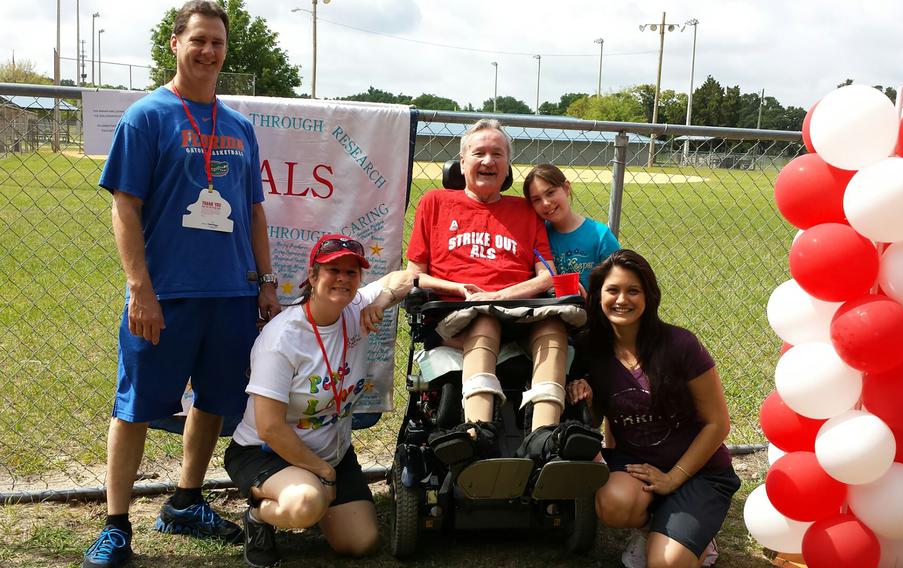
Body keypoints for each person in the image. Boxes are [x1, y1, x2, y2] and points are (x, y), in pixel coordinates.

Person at [83, 2, 281, 567]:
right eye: (198, 40)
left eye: (217, 42)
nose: (209, 51)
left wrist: (265, 282)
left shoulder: (240, 127)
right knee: (135, 406)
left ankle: (185, 501)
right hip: (165, 295)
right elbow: (126, 208)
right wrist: (139, 287)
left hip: (233, 294)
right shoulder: (147, 117)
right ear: (175, 44)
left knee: (215, 401)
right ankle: (116, 525)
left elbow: (255, 211)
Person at [406, 118, 599, 463]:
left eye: (498, 153)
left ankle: (543, 437)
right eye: (478, 152)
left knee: (553, 327)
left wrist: (497, 296)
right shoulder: (435, 202)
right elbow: (415, 276)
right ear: (461, 162)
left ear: (507, 166)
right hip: (459, 316)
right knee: (485, 322)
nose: (488, 160)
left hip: (519, 310)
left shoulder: (524, 211)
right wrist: (464, 291)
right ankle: (478, 432)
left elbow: (546, 276)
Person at [224, 234, 413, 567]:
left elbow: (406, 277)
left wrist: (381, 300)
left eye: (351, 272)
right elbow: (269, 428)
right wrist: (323, 471)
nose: (342, 278)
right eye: (332, 270)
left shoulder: (353, 307)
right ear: (312, 277)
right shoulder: (282, 338)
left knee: (361, 542)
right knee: (305, 505)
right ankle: (259, 517)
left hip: (332, 453)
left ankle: (317, 495)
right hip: (267, 452)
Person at [568, 250, 740, 568]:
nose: (622, 299)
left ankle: (693, 537)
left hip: (698, 472)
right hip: (636, 465)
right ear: (597, 295)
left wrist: (674, 478)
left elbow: (717, 423)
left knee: (668, 563)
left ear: (649, 296)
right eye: (613, 290)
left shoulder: (680, 345)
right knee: (613, 504)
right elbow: (595, 420)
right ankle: (653, 530)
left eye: (633, 290)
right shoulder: (588, 349)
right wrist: (587, 400)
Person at [523, 163, 620, 296]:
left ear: (566, 188)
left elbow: (618, 285)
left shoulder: (600, 236)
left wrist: (588, 300)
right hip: (546, 313)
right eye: (536, 200)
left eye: (550, 193)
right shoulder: (537, 236)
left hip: (591, 313)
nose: (545, 203)